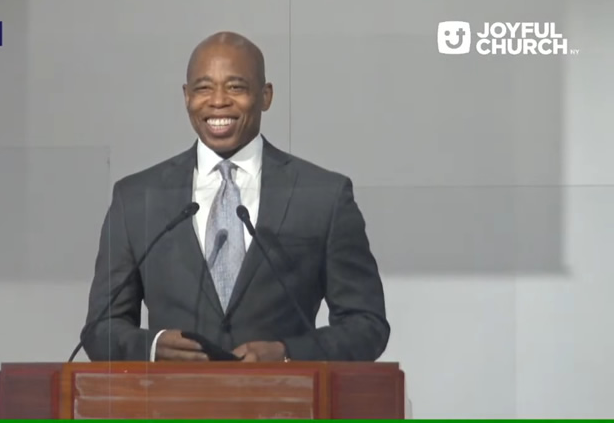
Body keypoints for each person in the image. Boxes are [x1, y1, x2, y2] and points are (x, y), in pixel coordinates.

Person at [83, 31, 389, 362]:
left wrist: (288, 354)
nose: (218, 101)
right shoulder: (136, 199)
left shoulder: (323, 196)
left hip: (284, 394)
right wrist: (152, 348)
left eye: (236, 87)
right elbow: (101, 328)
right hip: (172, 394)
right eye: (203, 88)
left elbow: (366, 325)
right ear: (186, 96)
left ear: (265, 96)